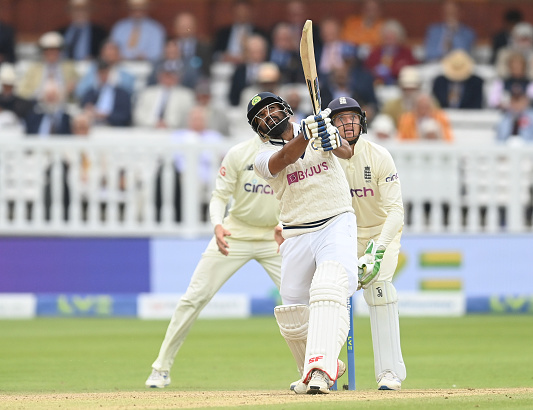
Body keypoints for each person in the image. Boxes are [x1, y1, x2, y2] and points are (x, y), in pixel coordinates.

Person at [145, 132, 283, 388]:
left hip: (276, 237)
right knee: (194, 297)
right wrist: (217, 225)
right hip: (234, 233)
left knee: (300, 302)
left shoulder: (292, 152)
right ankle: (160, 368)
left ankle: (315, 369)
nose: (271, 120)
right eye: (264, 115)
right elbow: (219, 196)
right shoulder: (239, 153)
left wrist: (288, 225)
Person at [250, 92, 356, 394]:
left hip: (335, 220)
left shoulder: (318, 129)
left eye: (271, 109)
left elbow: (347, 152)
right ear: (258, 129)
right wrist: (306, 135)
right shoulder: (260, 157)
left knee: (329, 286)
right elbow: (283, 159)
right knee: (292, 312)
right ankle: (316, 368)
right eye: (261, 116)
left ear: (285, 108)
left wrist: (331, 137)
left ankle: (321, 369)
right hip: (296, 230)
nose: (268, 116)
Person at [328, 96, 405, 391]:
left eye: (353, 118)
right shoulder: (324, 157)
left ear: (362, 121)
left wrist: (378, 249)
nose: (348, 124)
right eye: (341, 119)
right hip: (340, 233)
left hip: (379, 232)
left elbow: (396, 212)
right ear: (331, 125)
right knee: (326, 295)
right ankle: (321, 368)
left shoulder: (379, 155)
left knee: (379, 290)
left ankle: (389, 372)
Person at [17, 32, 78, 100]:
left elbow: (79, 89)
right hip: (38, 103)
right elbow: (22, 91)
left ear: (60, 51)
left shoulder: (69, 67)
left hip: (63, 103)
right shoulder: (34, 69)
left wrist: (70, 89)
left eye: (55, 50)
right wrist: (38, 94)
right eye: (48, 50)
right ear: (43, 52)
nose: (51, 53)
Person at [133, 62, 194, 129]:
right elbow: (138, 114)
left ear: (178, 77)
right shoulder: (147, 93)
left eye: (172, 75)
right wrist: (154, 123)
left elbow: (188, 117)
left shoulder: (186, 95)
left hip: (174, 131)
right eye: (166, 75)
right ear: (159, 76)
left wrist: (167, 124)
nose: (168, 78)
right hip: (148, 129)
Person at [364, 19, 417, 85]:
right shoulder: (374, 54)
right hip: (376, 86)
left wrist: (392, 70)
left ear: (399, 39)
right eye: (387, 39)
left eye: (392, 39)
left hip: (401, 86)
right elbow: (366, 71)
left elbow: (412, 71)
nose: (389, 42)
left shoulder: (407, 53)